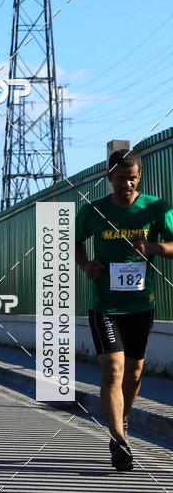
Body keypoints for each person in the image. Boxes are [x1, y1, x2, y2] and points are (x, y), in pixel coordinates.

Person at [75, 148, 173, 471]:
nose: (125, 185)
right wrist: (86, 264)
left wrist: (154, 247)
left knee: (132, 375)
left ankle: (122, 418)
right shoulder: (94, 212)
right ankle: (118, 441)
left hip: (141, 306)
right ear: (109, 178)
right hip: (104, 305)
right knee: (112, 370)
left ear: (139, 177)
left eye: (131, 179)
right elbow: (73, 239)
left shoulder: (155, 208)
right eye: (119, 179)